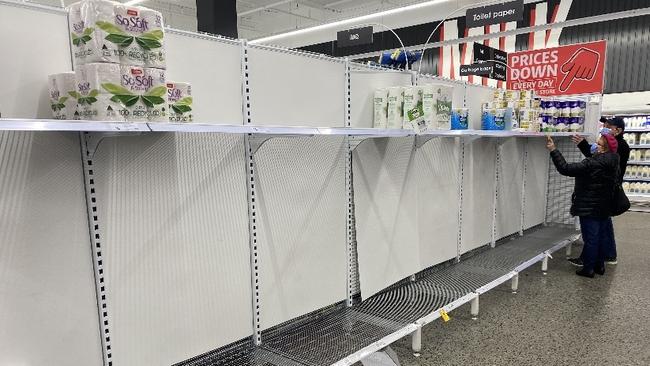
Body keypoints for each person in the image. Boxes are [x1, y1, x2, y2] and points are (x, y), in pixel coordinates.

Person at [546, 132, 619, 278]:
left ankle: (588, 269)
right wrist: (583, 145)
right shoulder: (614, 159)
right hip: (604, 206)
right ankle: (599, 266)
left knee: (590, 239)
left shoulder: (592, 163)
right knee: (599, 237)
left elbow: (565, 168)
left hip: (589, 206)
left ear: (603, 149)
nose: (595, 146)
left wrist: (553, 150)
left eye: (598, 144)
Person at [570, 117, 629, 266]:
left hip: (605, 193)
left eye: (609, 126)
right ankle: (602, 257)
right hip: (605, 193)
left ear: (618, 130)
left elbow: (597, 162)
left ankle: (594, 260)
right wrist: (584, 145)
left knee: (598, 229)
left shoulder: (620, 146)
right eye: (604, 125)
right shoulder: (614, 145)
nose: (605, 128)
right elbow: (595, 158)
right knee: (601, 227)